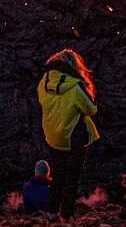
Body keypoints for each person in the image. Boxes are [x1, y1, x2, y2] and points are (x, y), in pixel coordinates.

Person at [38, 48, 100, 218]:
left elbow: (43, 102)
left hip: (53, 136)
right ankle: (66, 215)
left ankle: (52, 213)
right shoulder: (75, 86)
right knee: (72, 178)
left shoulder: (44, 82)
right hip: (73, 136)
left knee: (58, 176)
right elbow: (91, 109)